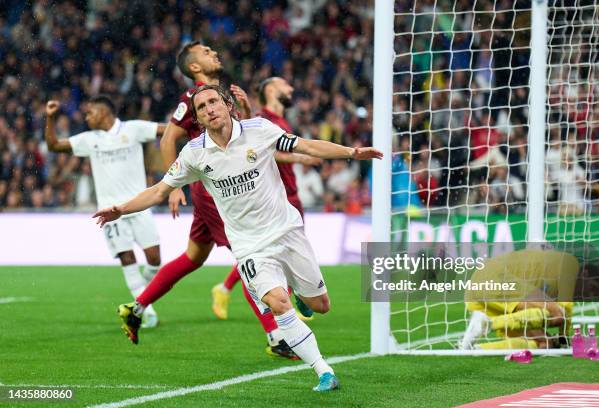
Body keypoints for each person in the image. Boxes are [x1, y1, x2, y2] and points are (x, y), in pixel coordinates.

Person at [94, 84, 383, 391]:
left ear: (228, 104)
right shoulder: (193, 153)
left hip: (286, 230)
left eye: (213, 102)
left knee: (321, 305)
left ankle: (303, 295)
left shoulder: (259, 130)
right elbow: (160, 190)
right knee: (277, 302)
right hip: (249, 246)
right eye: (201, 107)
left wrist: (351, 152)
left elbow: (305, 146)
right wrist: (121, 209)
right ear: (198, 119)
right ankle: (323, 370)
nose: (209, 109)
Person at [128, 43, 309, 359]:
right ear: (194, 67)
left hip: (216, 187)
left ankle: (137, 306)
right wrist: (173, 187)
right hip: (216, 190)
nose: (214, 52)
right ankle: (276, 335)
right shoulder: (192, 99)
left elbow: (245, 138)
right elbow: (169, 138)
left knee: (193, 257)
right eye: (206, 51)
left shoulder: (220, 93)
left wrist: (248, 112)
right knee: (250, 257)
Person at [211, 77, 322, 359]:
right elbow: (259, 150)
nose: (292, 88)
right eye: (286, 85)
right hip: (271, 199)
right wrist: (300, 157)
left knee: (285, 250)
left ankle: (296, 292)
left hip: (289, 193)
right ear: (271, 89)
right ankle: (228, 290)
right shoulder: (264, 119)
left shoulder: (276, 119)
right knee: (262, 251)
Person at [45, 96, 166, 328]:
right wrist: (50, 118)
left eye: (90, 113)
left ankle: (139, 301)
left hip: (139, 207)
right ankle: (146, 311)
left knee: (155, 260)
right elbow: (53, 145)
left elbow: (170, 129)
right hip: (110, 213)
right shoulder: (90, 140)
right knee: (127, 258)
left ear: (103, 112)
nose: (87, 117)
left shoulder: (133, 129)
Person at [459, 247, 599, 350]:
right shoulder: (571, 263)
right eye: (593, 288)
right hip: (492, 276)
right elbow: (564, 310)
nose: (589, 295)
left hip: (478, 297)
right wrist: (564, 339)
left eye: (593, 296)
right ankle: (488, 324)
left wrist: (556, 340)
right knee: (557, 312)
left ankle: (472, 348)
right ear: (585, 273)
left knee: (543, 343)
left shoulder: (555, 288)